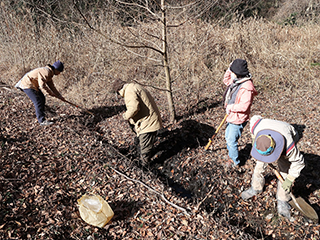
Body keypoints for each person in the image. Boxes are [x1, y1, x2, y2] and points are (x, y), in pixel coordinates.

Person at [241, 115, 305, 219]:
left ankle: (283, 199)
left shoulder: (289, 146)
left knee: (284, 169)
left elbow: (299, 162)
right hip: (266, 132)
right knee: (259, 164)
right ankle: (256, 188)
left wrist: (290, 179)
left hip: (288, 132)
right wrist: (254, 139)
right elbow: (254, 119)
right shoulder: (256, 127)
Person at [112, 79, 163, 165]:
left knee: (144, 148)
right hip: (149, 118)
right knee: (145, 143)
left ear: (118, 90)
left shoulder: (129, 91)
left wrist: (125, 116)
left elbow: (134, 108)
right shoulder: (134, 87)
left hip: (148, 122)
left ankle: (146, 167)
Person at [223, 59, 258, 167]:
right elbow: (226, 80)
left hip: (238, 118)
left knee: (231, 140)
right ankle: (231, 155)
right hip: (232, 115)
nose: (231, 74)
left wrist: (230, 107)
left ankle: (235, 162)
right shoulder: (237, 81)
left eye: (233, 72)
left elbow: (244, 106)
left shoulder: (247, 87)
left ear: (238, 73)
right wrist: (229, 69)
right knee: (227, 137)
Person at [15, 60, 65, 126]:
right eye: (59, 71)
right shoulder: (46, 72)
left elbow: (52, 86)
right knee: (38, 101)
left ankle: (42, 115)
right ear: (56, 69)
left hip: (33, 85)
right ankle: (42, 121)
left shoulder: (49, 73)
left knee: (42, 98)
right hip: (27, 84)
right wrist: (50, 93)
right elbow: (42, 86)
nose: (59, 73)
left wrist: (59, 95)